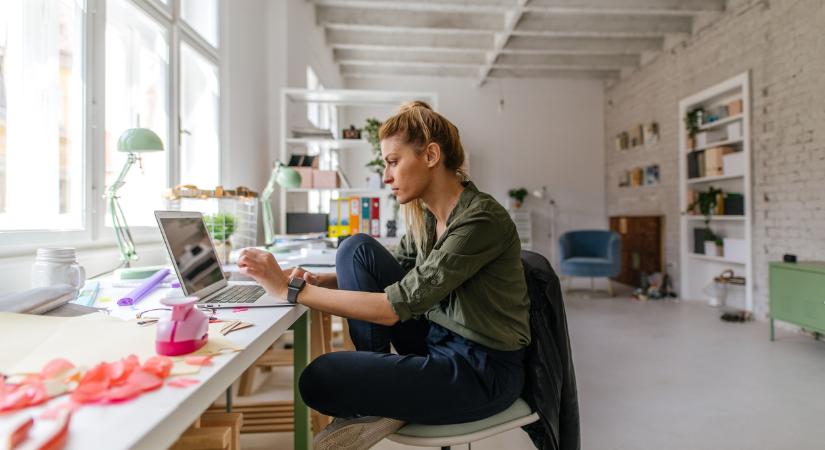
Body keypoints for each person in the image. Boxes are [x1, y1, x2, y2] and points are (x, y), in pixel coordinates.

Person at [238, 101, 531, 450]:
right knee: (354, 248)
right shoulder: (427, 216)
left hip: (481, 371)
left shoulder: (480, 220)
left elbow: (396, 305)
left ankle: (381, 399)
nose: (386, 176)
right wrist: (320, 282)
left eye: (393, 162)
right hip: (438, 340)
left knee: (319, 378)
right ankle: (380, 401)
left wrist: (291, 290)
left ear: (431, 155)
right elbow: (399, 275)